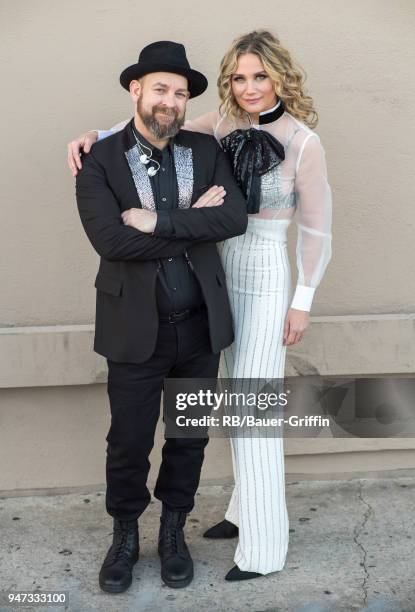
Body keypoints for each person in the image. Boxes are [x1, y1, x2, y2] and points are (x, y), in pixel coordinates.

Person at [69, 30, 332, 581]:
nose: (250, 87)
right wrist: (95, 135)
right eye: (239, 77)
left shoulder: (300, 142)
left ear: (282, 76)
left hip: (257, 276)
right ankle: (233, 512)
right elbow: (150, 127)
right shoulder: (217, 126)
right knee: (191, 419)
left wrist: (301, 302)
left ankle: (262, 546)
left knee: (249, 412)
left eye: (260, 76)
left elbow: (306, 230)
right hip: (213, 281)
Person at [74, 40, 248, 593]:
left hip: (200, 328)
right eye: (160, 89)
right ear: (136, 90)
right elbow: (110, 240)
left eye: (180, 92)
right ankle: (124, 535)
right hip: (134, 331)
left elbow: (234, 218)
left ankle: (173, 533)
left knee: (189, 437)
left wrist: (160, 221)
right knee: (128, 440)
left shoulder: (202, 149)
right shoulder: (97, 159)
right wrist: (191, 220)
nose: (170, 101)